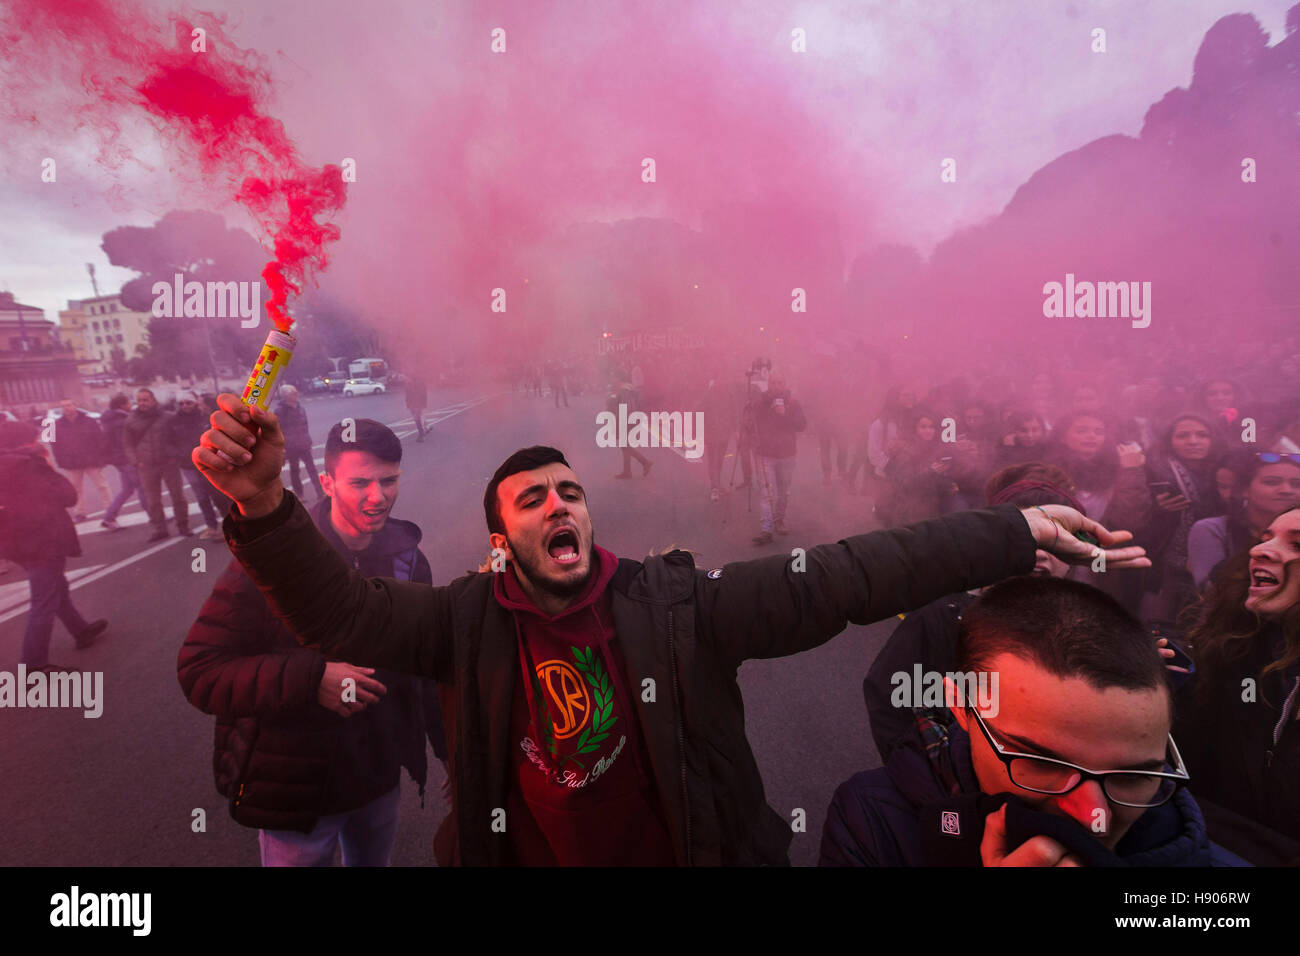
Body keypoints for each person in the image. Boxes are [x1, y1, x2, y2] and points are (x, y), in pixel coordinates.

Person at [192, 393, 1147, 865]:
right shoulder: (461, 621)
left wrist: (1012, 532)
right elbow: (338, 611)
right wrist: (266, 503)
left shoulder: (682, 604)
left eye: (572, 490)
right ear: (500, 538)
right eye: (533, 498)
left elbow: (854, 574)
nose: (560, 503)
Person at [820, 575, 1243, 867]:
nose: (1093, 817)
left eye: (1131, 776)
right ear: (963, 709)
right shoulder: (872, 817)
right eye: (1043, 763)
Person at [178, 418, 447, 866]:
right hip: (296, 791)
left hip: (377, 778)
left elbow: (425, 667)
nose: (377, 496)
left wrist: (452, 751)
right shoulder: (273, 557)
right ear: (327, 482)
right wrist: (311, 678)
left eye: (389, 480)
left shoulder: (408, 558)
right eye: (360, 482)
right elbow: (200, 670)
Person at [863, 463, 1083, 762]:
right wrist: (926, 774)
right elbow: (893, 704)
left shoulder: (1091, 630)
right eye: (1026, 537)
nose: (1040, 552)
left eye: (1057, 541)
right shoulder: (941, 618)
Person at [1177, 506, 1300, 865]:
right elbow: (1185, 788)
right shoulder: (1231, 656)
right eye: (1265, 538)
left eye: (1297, 545)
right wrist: (1155, 693)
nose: (1259, 550)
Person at [0, 421, 107, 672]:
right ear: (26, 441)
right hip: (43, 539)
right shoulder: (31, 464)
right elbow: (68, 495)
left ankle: (80, 629)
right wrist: (48, 467)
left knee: (55, 586)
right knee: (44, 600)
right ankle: (34, 665)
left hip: (16, 540)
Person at [1044, 411, 1152, 614]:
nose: (1091, 436)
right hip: (1061, 552)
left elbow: (1130, 519)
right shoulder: (1049, 471)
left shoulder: (1119, 470)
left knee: (1096, 606)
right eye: (1081, 430)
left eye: (1098, 431)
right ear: (1063, 435)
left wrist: (1131, 472)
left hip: (1100, 552)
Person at [1140, 414, 1225, 624]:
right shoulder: (1153, 471)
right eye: (1183, 436)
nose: (1193, 441)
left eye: (1202, 435)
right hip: (1166, 566)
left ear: (1213, 439)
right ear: (1170, 441)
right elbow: (1134, 522)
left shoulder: (1227, 471)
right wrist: (1158, 509)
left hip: (1220, 562)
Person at [1188, 452, 1300, 591]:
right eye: (1271, 482)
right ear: (1245, 490)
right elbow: (1210, 590)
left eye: (1296, 484)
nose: (1286, 490)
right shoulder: (1214, 529)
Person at [124, 388, 190, 542]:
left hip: (168, 462)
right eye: (139, 400)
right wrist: (136, 461)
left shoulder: (167, 417)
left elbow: (179, 438)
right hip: (146, 465)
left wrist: (176, 456)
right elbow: (128, 445)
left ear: (153, 400)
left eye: (145, 400)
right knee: (152, 500)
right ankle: (160, 529)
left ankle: (183, 525)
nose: (142, 403)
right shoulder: (131, 420)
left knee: (177, 496)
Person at [752, 374, 807, 545]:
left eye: (780, 383)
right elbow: (751, 421)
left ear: (785, 385)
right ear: (769, 385)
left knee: (783, 491)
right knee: (767, 493)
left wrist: (785, 414)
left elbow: (802, 425)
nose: (776, 386)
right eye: (773, 383)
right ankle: (766, 529)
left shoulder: (793, 403)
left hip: (787, 454)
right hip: (766, 454)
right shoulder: (761, 402)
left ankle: (779, 519)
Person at [170, 392, 225, 540]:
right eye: (181, 403)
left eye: (188, 402)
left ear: (195, 403)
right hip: (188, 464)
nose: (185, 406)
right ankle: (211, 526)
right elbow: (168, 442)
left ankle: (228, 524)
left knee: (218, 493)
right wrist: (179, 454)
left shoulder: (205, 417)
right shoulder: (173, 421)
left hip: (207, 462)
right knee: (201, 496)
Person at [49, 399, 109, 521]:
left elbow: (100, 439)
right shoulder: (56, 425)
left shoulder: (89, 421)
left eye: (69, 405)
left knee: (102, 486)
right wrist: (61, 460)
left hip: (92, 460)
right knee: (76, 489)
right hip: (71, 463)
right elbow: (54, 445)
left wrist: (101, 457)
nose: (66, 408)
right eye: (63, 406)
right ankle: (80, 512)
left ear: (75, 406)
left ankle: (110, 508)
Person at [99, 393, 146, 531]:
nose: (131, 405)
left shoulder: (110, 420)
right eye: (128, 403)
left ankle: (109, 518)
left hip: (118, 459)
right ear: (122, 405)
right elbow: (125, 443)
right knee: (142, 486)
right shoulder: (122, 421)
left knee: (127, 490)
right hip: (126, 458)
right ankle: (155, 515)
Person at [275, 385, 325, 497]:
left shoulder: (300, 408)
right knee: (295, 470)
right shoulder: (280, 411)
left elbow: (305, 426)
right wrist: (282, 447)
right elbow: (277, 430)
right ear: (286, 396)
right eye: (293, 393)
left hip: (304, 444)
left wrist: (309, 441)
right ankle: (300, 494)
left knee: (312, 469)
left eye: (296, 393)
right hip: (291, 446)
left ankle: (320, 493)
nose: (296, 395)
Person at [402, 374, 429, 443]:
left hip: (417, 404)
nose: (407, 379)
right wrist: (407, 403)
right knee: (417, 418)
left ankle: (421, 434)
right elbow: (407, 395)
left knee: (417, 418)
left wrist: (423, 404)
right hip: (412, 404)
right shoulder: (409, 384)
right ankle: (424, 429)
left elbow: (423, 394)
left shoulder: (419, 385)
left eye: (408, 378)